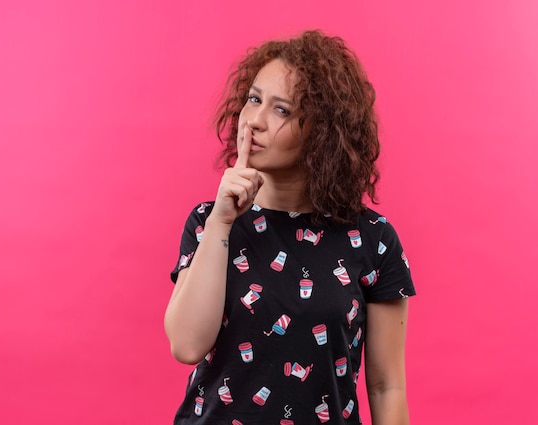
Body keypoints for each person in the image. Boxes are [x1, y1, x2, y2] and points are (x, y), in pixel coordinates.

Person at [164, 29, 415, 425]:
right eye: (254, 99)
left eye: (281, 110)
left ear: (322, 133)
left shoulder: (373, 239)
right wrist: (221, 222)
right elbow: (186, 344)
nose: (255, 122)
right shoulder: (209, 222)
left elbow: (387, 386)